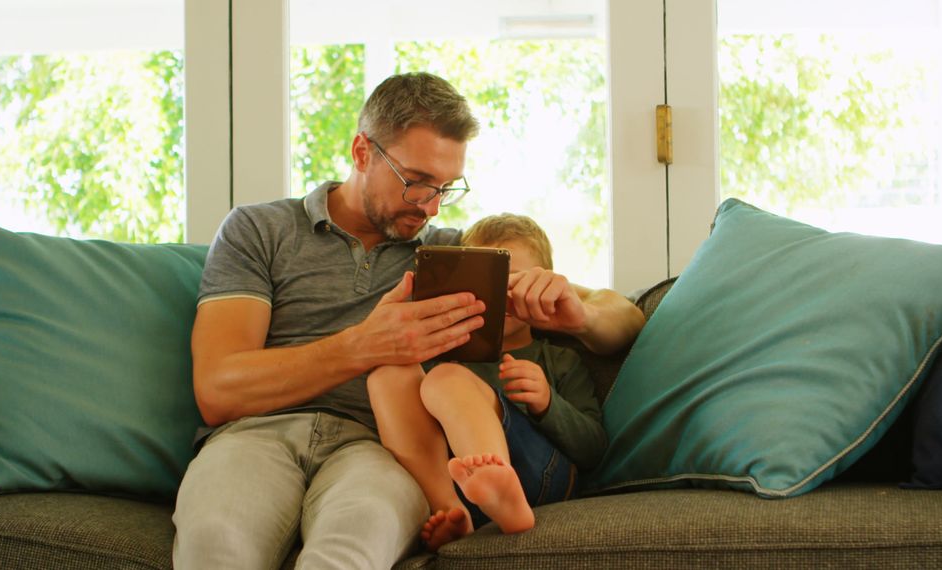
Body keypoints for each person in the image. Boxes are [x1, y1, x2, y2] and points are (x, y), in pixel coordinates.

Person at [171, 72, 645, 569]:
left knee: (351, 551)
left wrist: (579, 316)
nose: (431, 205)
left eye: (445, 188)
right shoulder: (259, 230)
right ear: (361, 152)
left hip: (378, 451)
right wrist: (362, 345)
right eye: (416, 182)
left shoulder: (451, 255)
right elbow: (219, 389)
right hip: (253, 438)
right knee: (216, 545)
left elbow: (627, 318)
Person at [367, 213, 606, 552]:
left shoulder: (558, 360)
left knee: (446, 379)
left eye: (517, 282)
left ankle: (501, 489)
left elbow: (594, 450)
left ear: (542, 286)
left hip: (540, 475)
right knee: (388, 374)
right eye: (490, 282)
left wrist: (548, 404)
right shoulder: (441, 355)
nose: (504, 295)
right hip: (457, 483)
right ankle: (450, 508)